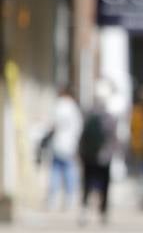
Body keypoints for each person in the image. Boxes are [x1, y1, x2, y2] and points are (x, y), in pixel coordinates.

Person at [78, 86, 118, 225]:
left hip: (88, 156)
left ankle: (84, 210)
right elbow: (113, 138)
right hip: (104, 157)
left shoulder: (88, 114)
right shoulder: (110, 117)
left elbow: (82, 135)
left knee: (87, 183)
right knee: (104, 185)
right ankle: (103, 211)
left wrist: (81, 152)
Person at [45, 87, 83, 210]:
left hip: (58, 144)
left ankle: (52, 199)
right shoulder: (73, 108)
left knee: (55, 171)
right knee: (69, 171)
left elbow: (52, 125)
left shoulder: (58, 106)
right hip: (70, 144)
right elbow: (78, 128)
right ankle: (69, 198)